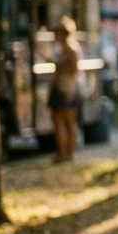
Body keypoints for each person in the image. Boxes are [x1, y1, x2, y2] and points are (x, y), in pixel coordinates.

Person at [48, 16, 83, 163]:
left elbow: (74, 70)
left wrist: (60, 69)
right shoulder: (63, 49)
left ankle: (68, 153)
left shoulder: (71, 49)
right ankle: (63, 153)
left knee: (67, 122)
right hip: (62, 87)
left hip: (67, 88)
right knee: (60, 121)